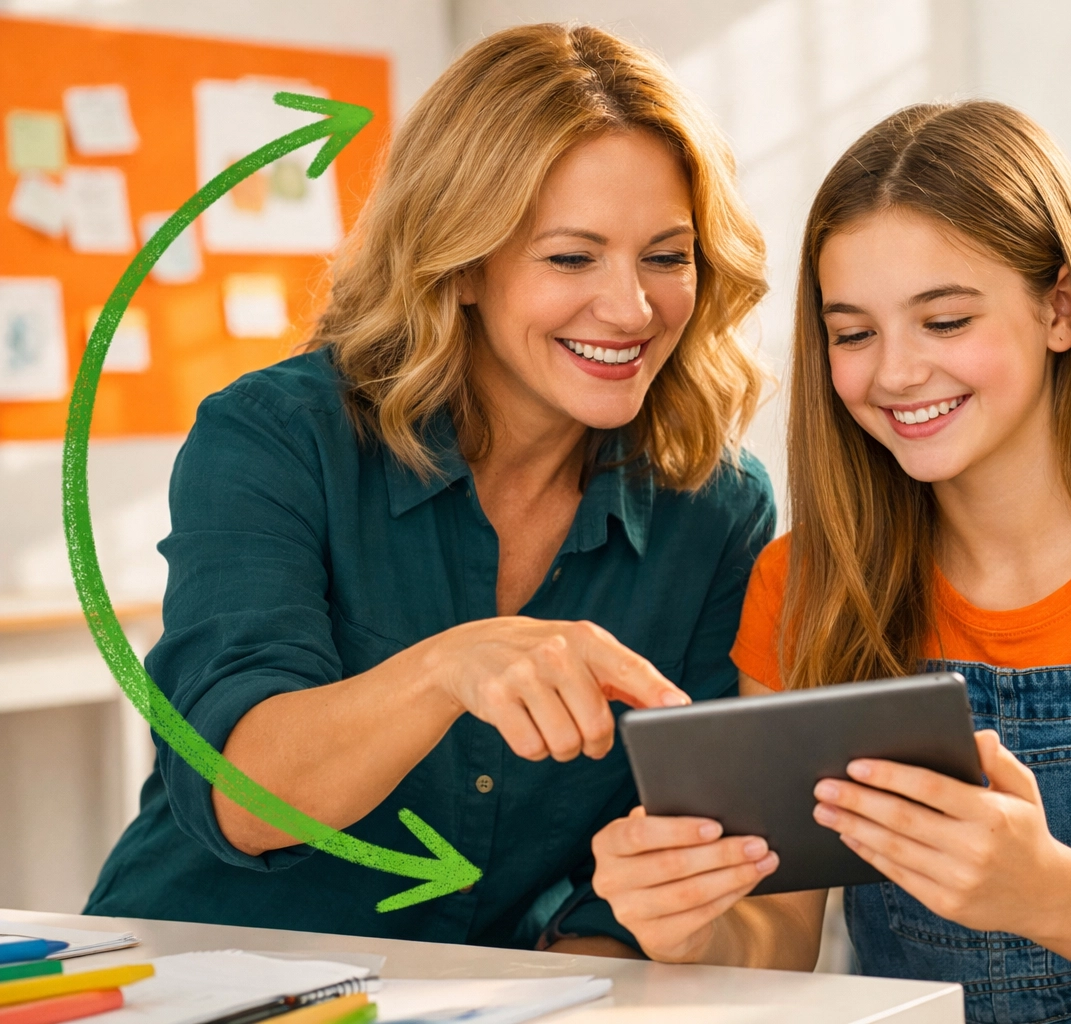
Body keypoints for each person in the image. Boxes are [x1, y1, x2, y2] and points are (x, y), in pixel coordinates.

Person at [589, 101, 1071, 1022]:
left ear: (1061, 310)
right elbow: (779, 945)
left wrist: (1042, 889)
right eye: (854, 333)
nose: (897, 373)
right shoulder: (810, 585)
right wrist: (688, 930)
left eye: (946, 320)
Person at [85, 23, 775, 956]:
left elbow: (664, 850)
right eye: (571, 258)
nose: (633, 308)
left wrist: (596, 971)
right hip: (193, 976)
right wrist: (447, 668)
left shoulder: (715, 507)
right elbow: (238, 795)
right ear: (461, 264)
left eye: (667, 255)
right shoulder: (278, 439)